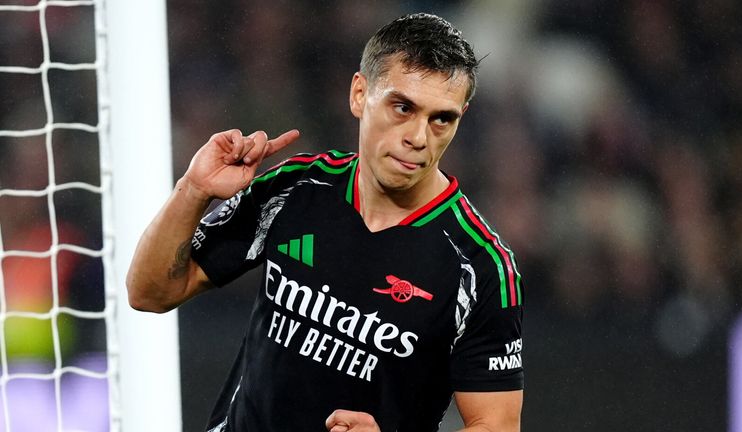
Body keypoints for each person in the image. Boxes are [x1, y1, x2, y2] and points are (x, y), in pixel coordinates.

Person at [127, 12, 524, 432]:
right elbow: (149, 292)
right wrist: (193, 190)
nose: (419, 137)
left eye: (441, 118)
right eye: (402, 107)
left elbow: (497, 425)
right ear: (359, 94)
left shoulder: (480, 267)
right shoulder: (297, 187)